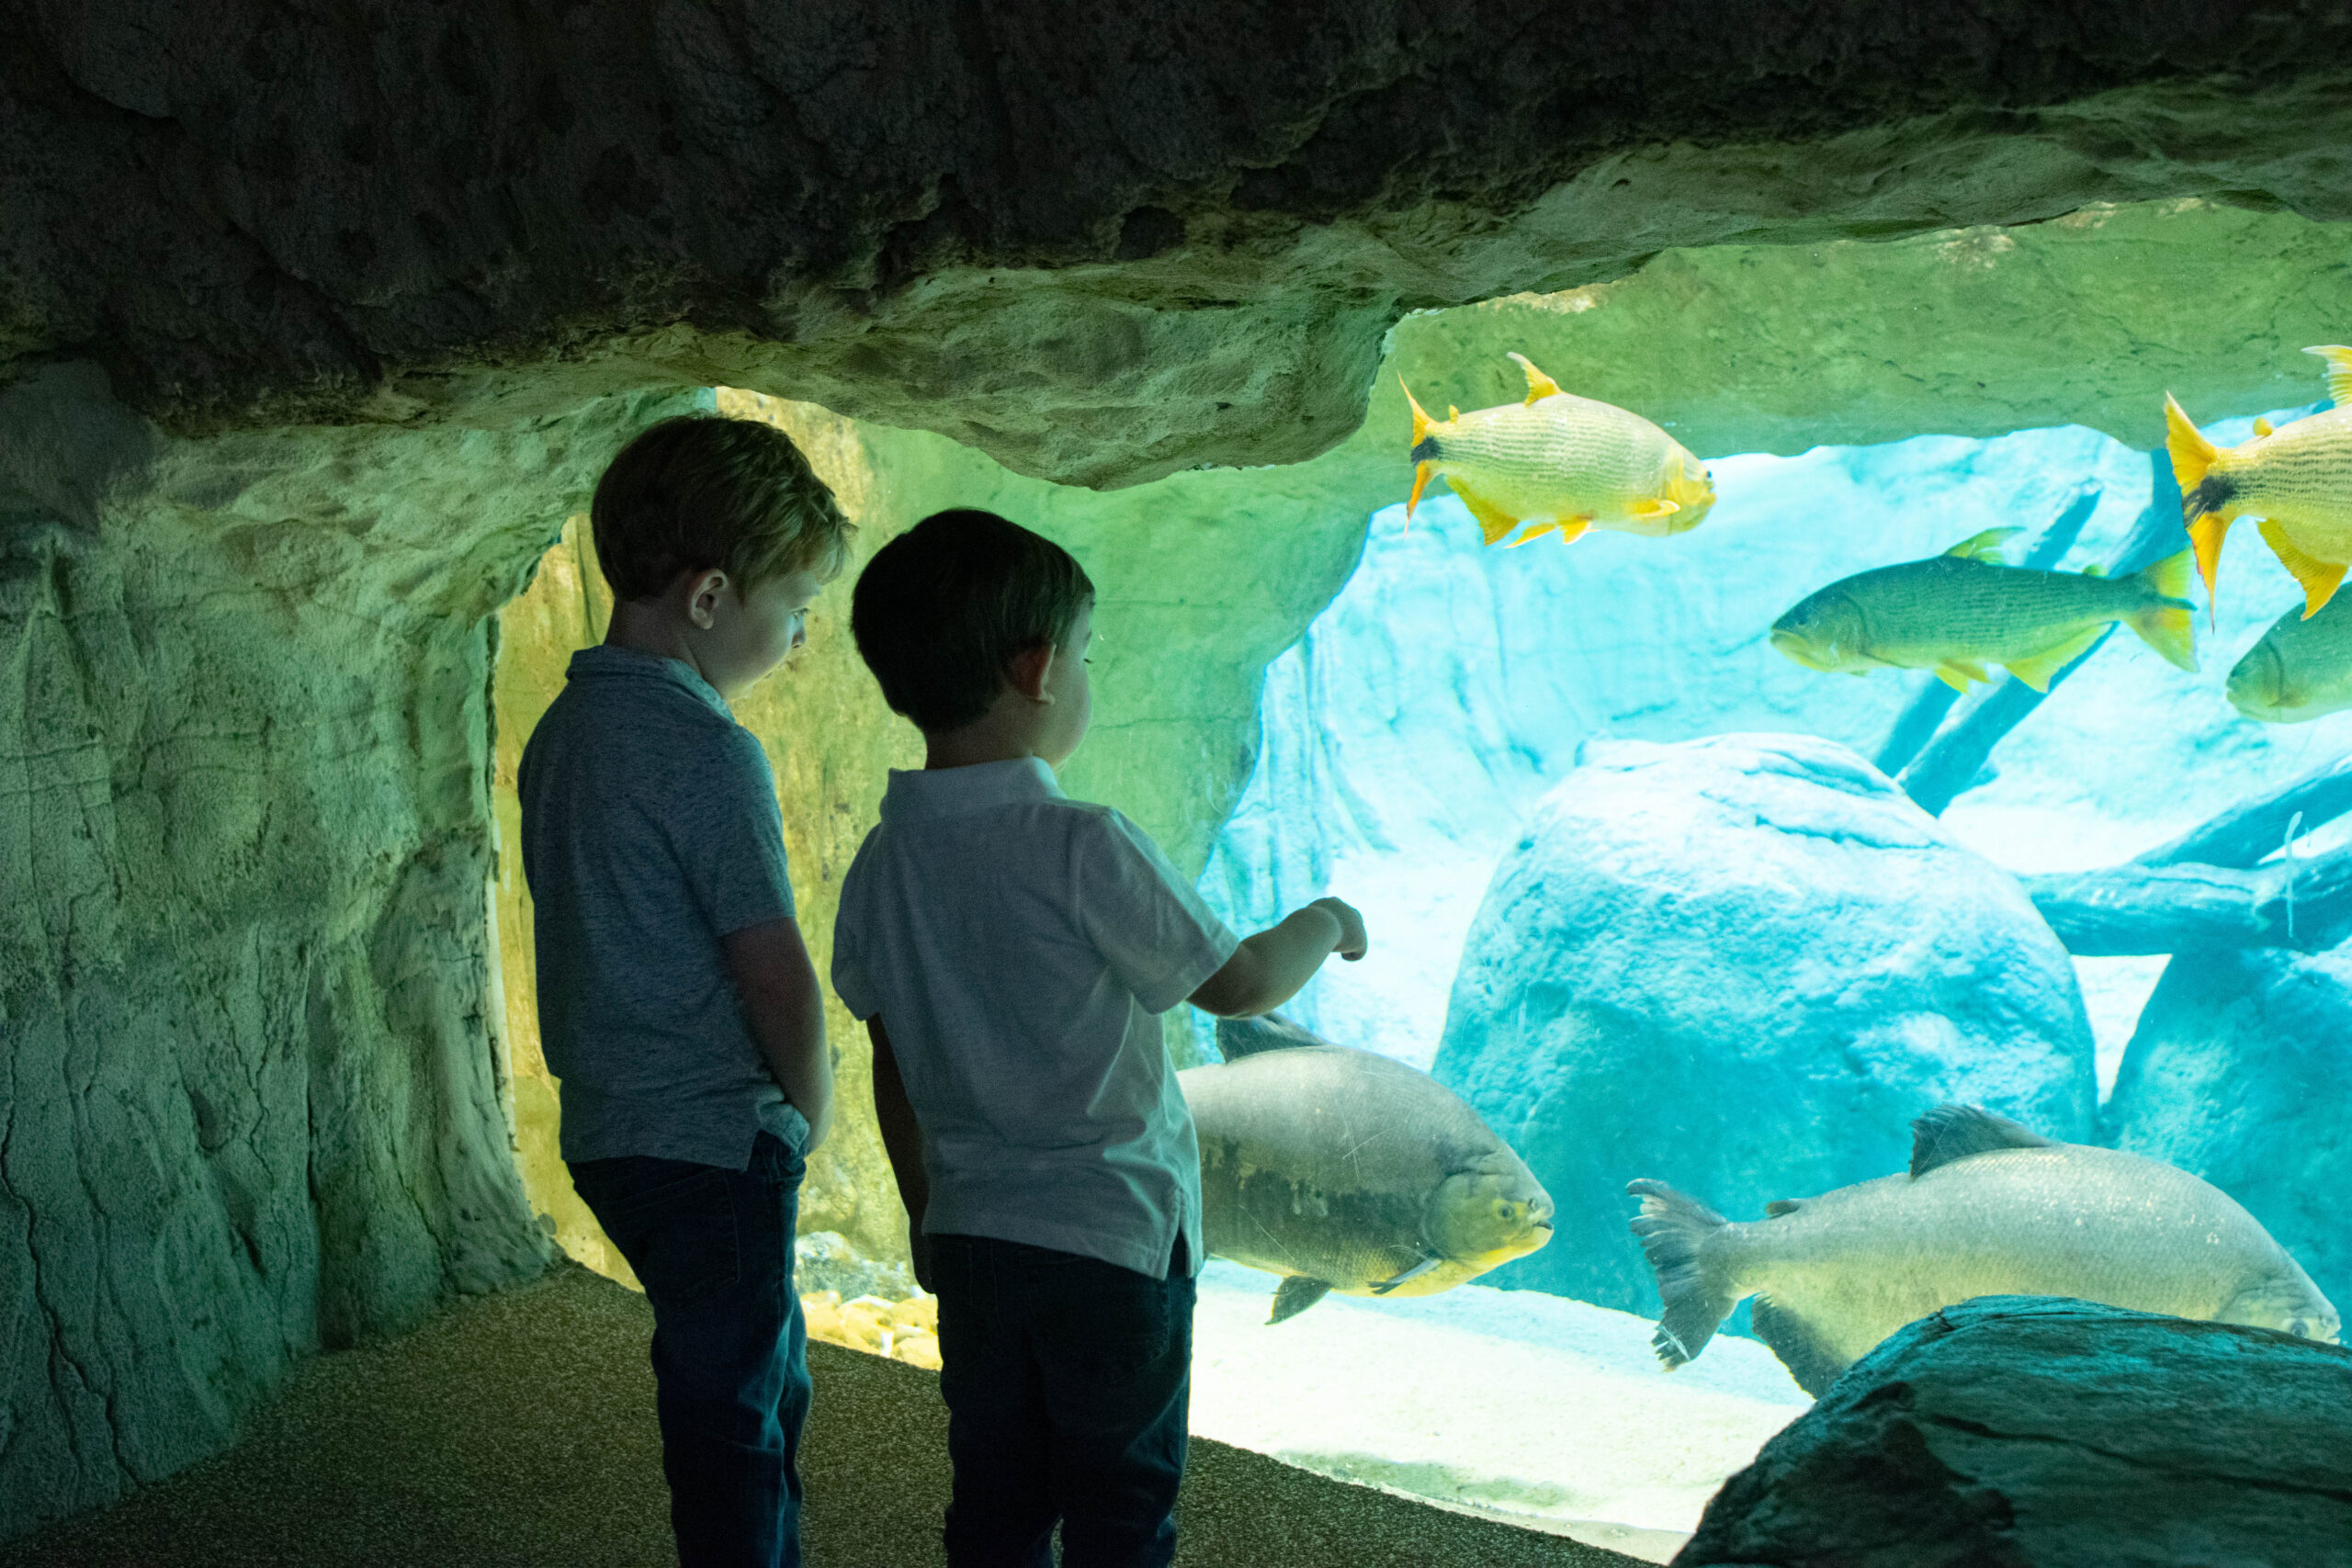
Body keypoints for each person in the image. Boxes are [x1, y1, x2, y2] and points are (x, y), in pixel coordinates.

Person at [831, 508, 1368, 1568]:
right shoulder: (1081, 844)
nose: (1085, 674)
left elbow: (890, 1061)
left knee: (996, 1498)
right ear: (1036, 669)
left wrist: (926, 1214)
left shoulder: (882, 866)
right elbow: (1240, 985)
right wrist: (1327, 920)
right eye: (1086, 654)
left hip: (976, 1239)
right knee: (1121, 1506)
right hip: (1110, 1241)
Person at [518, 413, 851, 1568]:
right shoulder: (709, 750)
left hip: (613, 1135)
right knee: (738, 1425)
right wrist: (807, 1113)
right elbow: (773, 969)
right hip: (714, 1138)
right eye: (795, 605)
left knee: (747, 1368)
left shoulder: (562, 732)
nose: (801, 635)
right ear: (711, 600)